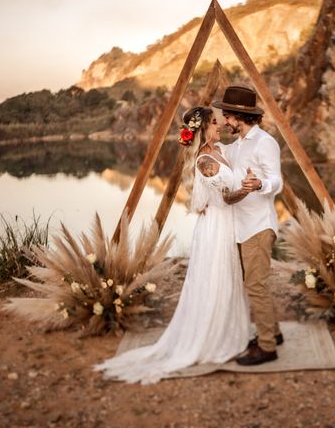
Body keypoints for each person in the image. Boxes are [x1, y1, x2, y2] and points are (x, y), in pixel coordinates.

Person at [94, 106, 253, 384]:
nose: (220, 127)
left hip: (226, 224)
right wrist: (248, 188)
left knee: (228, 277)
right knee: (215, 280)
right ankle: (211, 338)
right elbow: (227, 197)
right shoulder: (205, 161)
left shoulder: (221, 151)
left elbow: (238, 155)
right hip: (216, 226)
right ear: (204, 129)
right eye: (216, 123)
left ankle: (230, 331)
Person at [213, 85, 284, 366]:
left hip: (258, 226)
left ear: (237, 116)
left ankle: (267, 347)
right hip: (240, 226)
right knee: (254, 285)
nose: (224, 122)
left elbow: (277, 181)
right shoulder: (238, 145)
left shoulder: (265, 142)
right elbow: (215, 157)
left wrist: (260, 184)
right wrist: (192, 138)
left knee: (255, 286)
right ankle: (274, 333)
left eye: (226, 117)